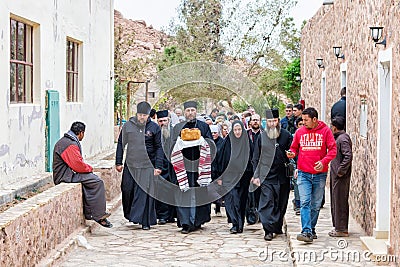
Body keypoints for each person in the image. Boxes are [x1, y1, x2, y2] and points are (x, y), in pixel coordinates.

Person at [287, 107, 337, 243]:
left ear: (314, 119)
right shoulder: (299, 132)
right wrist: (292, 153)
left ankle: (311, 229)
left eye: (306, 120)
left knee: (315, 204)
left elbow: (333, 150)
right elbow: (294, 147)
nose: (303, 123)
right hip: (303, 173)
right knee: (305, 202)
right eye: (302, 120)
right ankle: (306, 231)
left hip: (320, 175)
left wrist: (324, 161)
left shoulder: (325, 131)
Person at [53, 121, 112, 228]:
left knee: (89, 181)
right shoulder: (69, 144)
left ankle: (92, 213)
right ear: (81, 133)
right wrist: (89, 168)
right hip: (65, 176)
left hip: (69, 174)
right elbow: (77, 165)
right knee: (97, 182)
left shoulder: (66, 141)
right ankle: (98, 215)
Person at [115, 101, 163, 230]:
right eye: (140, 115)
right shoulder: (128, 126)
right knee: (127, 189)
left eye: (145, 115)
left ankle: (145, 221)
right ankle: (131, 214)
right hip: (130, 164)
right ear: (136, 114)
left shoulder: (154, 128)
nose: (142, 117)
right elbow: (121, 144)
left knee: (145, 193)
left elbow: (159, 147)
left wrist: (158, 166)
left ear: (149, 115)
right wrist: (118, 162)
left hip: (148, 165)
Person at [171, 100, 213, 234]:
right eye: (188, 111)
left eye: (192, 110)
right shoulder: (178, 128)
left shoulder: (203, 126)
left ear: (196, 111)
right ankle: (186, 223)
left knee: (199, 194)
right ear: (184, 112)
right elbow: (171, 147)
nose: (190, 113)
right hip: (184, 167)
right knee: (184, 194)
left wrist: (203, 142)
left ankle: (198, 221)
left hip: (199, 167)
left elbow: (211, 144)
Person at [251, 109, 293, 241]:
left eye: (274, 121)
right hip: (266, 176)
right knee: (267, 202)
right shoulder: (261, 137)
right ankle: (268, 230)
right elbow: (256, 158)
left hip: (282, 176)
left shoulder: (286, 135)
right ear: (266, 122)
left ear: (278, 121)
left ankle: (277, 225)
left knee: (281, 203)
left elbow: (292, 152)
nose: (272, 124)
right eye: (269, 121)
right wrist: (256, 175)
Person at [217, 121, 250, 234]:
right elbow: (221, 160)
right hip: (229, 176)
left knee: (241, 201)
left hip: (244, 177)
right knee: (231, 200)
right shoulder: (227, 142)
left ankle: (240, 224)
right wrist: (220, 177)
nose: (237, 132)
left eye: (239, 129)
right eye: (235, 130)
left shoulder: (247, 142)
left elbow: (252, 159)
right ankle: (235, 224)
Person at [329, 116, 352, 237]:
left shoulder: (343, 139)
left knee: (340, 201)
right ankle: (338, 226)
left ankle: (342, 228)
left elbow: (348, 156)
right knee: (336, 200)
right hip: (337, 175)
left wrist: (340, 171)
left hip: (340, 177)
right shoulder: (339, 138)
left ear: (334, 127)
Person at [155, 110, 176, 225]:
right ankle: (162, 216)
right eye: (160, 121)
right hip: (160, 166)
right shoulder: (155, 132)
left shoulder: (175, 132)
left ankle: (172, 215)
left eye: (165, 120)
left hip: (173, 166)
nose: (163, 123)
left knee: (173, 191)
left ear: (169, 120)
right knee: (161, 192)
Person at [210, 124, 224, 216]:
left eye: (215, 133)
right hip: (210, 169)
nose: (213, 134)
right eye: (212, 133)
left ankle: (218, 206)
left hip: (219, 169)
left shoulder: (222, 142)